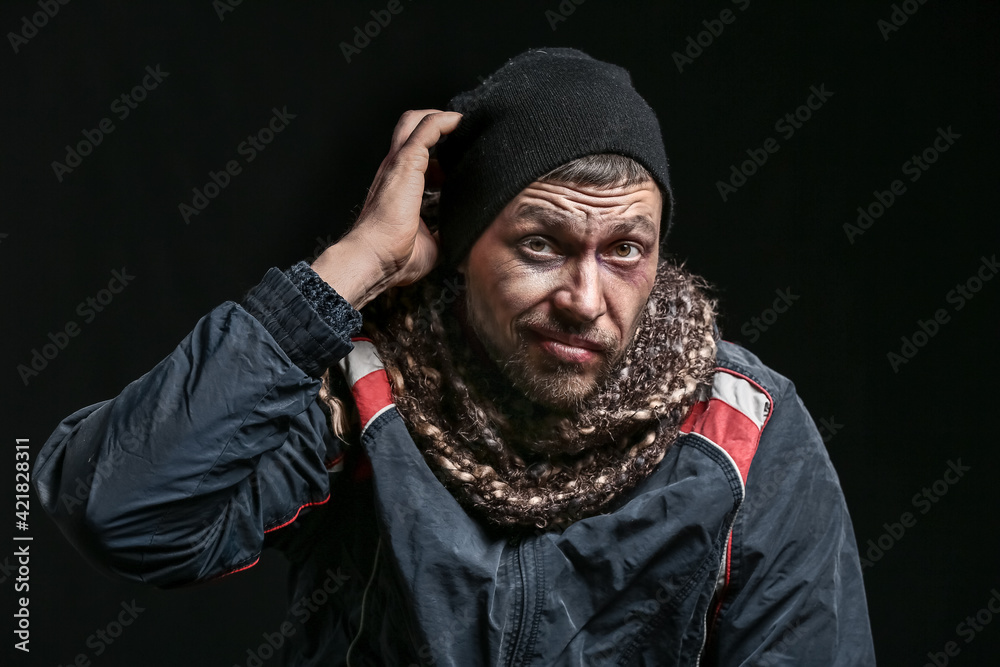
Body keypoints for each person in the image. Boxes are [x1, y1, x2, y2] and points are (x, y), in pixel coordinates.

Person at [35, 48, 876, 665]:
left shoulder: (741, 426)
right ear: (458, 242)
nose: (586, 297)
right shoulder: (360, 394)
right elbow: (119, 508)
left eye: (626, 249)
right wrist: (354, 264)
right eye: (541, 244)